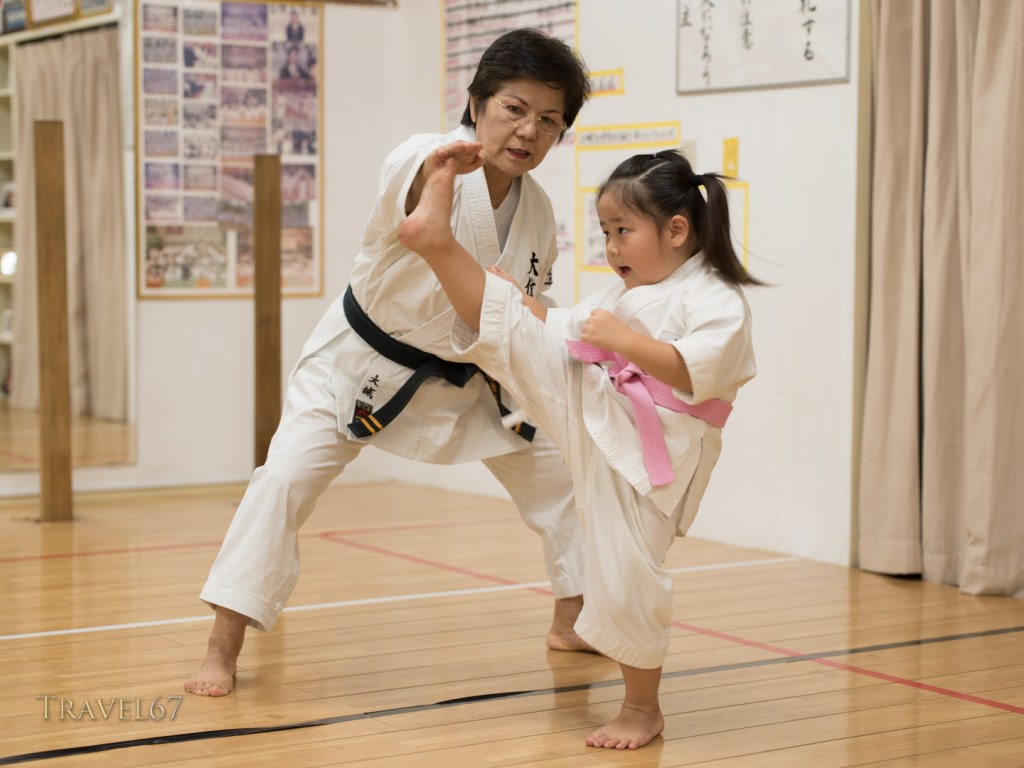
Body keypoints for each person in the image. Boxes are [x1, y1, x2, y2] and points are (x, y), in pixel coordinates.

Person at [185, 28, 592, 698]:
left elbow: (526, 301)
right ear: (477, 103)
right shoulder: (425, 155)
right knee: (283, 480)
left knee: (565, 476)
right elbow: (414, 190)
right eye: (515, 108)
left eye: (549, 120)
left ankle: (572, 619)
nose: (529, 131)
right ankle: (221, 647)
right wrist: (439, 179)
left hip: (475, 375)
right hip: (364, 365)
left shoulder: (540, 212)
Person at [398, 144, 760, 749]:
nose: (611, 248)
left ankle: (642, 708)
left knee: (624, 573)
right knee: (511, 323)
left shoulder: (717, 297)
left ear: (676, 230)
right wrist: (520, 300)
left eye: (622, 231)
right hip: (602, 412)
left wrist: (625, 341)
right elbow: (562, 326)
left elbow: (697, 371)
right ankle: (436, 241)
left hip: (651, 459)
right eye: (605, 233)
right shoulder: (628, 291)